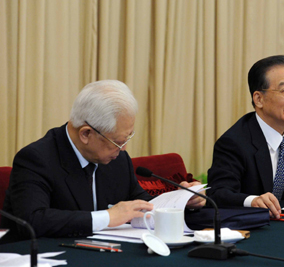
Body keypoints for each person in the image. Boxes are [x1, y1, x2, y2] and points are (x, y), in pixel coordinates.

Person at [2, 80, 204, 241]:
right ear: (86, 134)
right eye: (117, 142)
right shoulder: (36, 159)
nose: (123, 149)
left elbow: (139, 203)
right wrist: (107, 217)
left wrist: (181, 202)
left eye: (127, 138)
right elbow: (33, 220)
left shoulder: (117, 159)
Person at [207, 55, 284, 218]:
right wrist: (252, 201)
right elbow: (218, 193)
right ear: (259, 99)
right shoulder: (234, 142)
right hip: (254, 227)